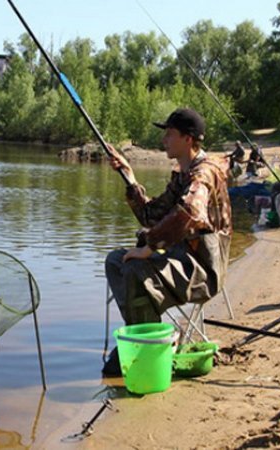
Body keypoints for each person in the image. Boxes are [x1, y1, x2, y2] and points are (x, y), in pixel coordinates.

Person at [102, 108, 232, 376]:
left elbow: (190, 212)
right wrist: (129, 177)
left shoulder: (203, 173)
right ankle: (146, 335)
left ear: (188, 139)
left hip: (204, 269)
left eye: (169, 135)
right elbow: (151, 216)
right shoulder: (183, 174)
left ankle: (147, 346)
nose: (164, 141)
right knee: (115, 261)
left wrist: (149, 248)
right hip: (181, 257)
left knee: (137, 270)